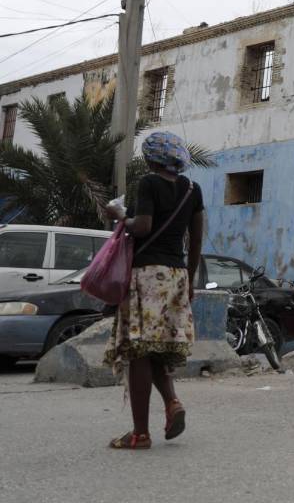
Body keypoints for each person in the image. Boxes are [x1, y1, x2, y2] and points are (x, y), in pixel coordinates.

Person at [103, 132, 204, 449]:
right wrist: (190, 278)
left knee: (139, 352)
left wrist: (120, 216)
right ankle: (172, 402)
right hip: (176, 275)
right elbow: (197, 236)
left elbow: (143, 226)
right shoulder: (192, 189)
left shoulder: (148, 183)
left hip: (147, 274)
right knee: (157, 348)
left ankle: (140, 434)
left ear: (150, 159)